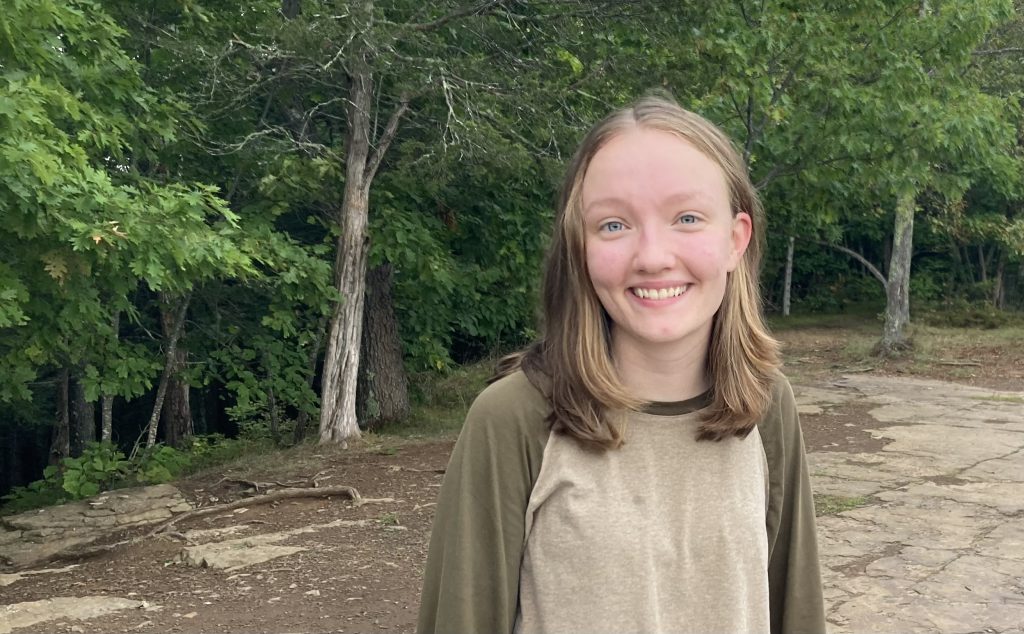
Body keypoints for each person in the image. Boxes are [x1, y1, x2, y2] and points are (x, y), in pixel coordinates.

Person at [416, 94, 825, 634]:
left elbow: (795, 613)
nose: (653, 256)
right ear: (580, 248)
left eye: (687, 217)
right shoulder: (514, 418)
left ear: (735, 240)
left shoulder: (765, 405)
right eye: (613, 225)